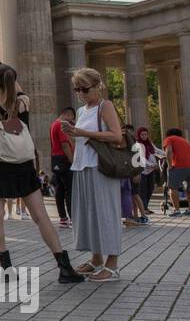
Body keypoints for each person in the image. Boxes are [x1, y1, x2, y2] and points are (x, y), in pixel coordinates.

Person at [0, 64, 85, 283]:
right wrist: (7, 71)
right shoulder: (23, 104)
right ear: (13, 82)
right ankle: (64, 267)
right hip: (23, 166)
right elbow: (19, 90)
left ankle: (7, 270)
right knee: (40, 216)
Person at [64, 68, 124, 281]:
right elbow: (82, 140)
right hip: (82, 166)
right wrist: (72, 133)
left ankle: (113, 264)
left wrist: (83, 133)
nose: (81, 93)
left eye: (85, 89)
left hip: (101, 167)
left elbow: (116, 136)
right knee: (88, 215)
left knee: (106, 214)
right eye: (77, 89)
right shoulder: (81, 111)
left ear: (98, 86)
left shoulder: (104, 106)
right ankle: (96, 259)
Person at [162, 127, 190, 216]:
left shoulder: (169, 139)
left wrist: (170, 165)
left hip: (179, 165)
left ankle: (177, 210)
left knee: (173, 187)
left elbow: (169, 151)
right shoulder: (185, 141)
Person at [49, 106, 76, 227]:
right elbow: (65, 145)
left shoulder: (54, 123)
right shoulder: (61, 124)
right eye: (71, 118)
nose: (71, 122)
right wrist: (73, 162)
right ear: (68, 115)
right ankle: (73, 219)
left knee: (59, 190)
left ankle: (63, 218)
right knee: (69, 190)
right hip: (64, 160)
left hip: (56, 160)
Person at [134, 126, 159, 215]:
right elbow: (142, 158)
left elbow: (156, 151)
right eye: (142, 134)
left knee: (150, 189)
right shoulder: (137, 144)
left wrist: (166, 155)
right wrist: (152, 165)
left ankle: (146, 207)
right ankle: (143, 209)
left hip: (151, 171)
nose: (144, 136)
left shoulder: (149, 143)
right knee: (143, 190)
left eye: (146, 134)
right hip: (142, 171)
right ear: (139, 135)